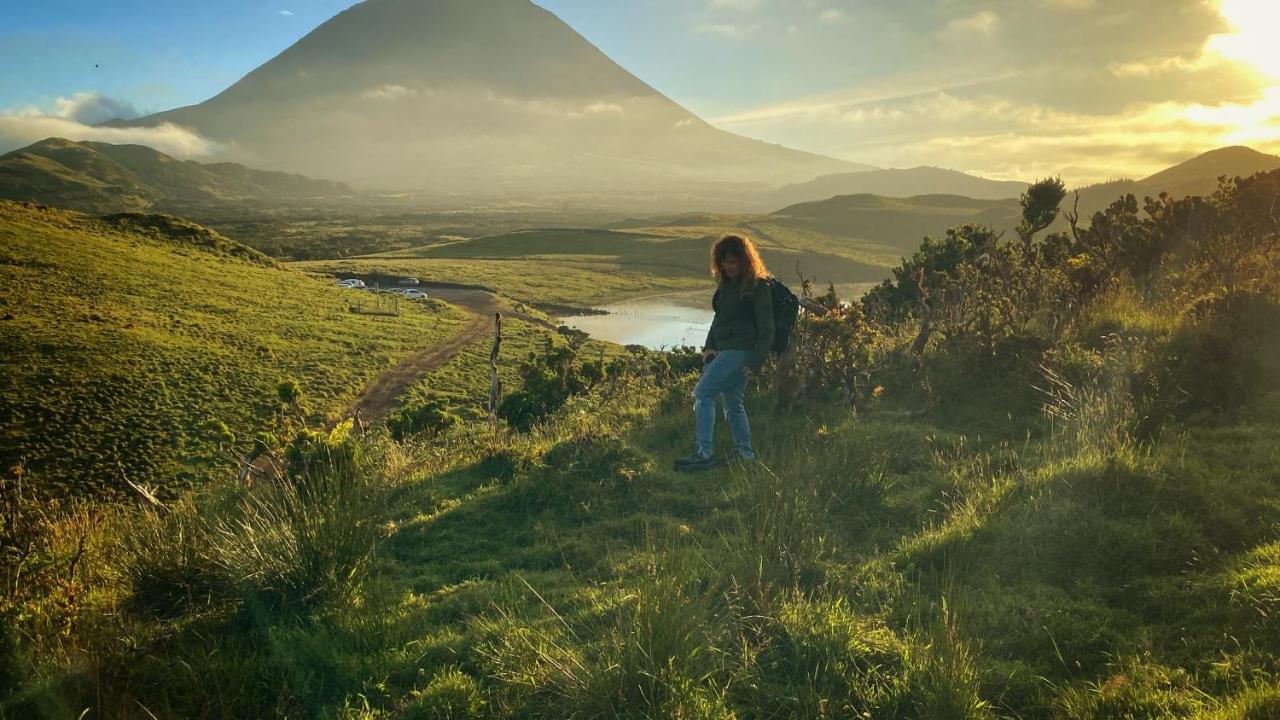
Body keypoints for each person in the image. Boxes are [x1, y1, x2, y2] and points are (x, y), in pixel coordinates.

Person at [675, 234, 774, 472]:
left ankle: (703, 453)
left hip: (741, 351)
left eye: (733, 262)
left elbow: (767, 329)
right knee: (733, 403)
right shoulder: (727, 286)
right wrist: (709, 347)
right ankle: (745, 455)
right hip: (725, 351)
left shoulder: (758, 287)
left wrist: (755, 361)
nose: (728, 267)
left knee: (702, 394)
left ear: (745, 260)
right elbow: (719, 319)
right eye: (723, 262)